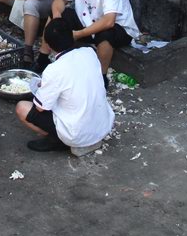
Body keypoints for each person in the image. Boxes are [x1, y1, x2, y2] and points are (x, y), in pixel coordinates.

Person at [15, 16, 114, 154]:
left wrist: (41, 89)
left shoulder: (54, 69)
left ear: (49, 46)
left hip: (76, 133)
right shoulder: (90, 52)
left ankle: (58, 140)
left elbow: (40, 108)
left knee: (22, 108)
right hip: (103, 126)